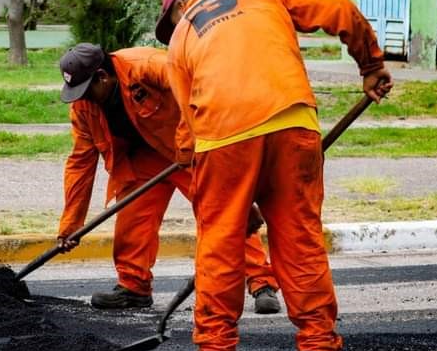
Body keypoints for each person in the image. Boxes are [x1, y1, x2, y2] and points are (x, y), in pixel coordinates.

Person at [155, 0, 393, 351]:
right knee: (300, 240)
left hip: (222, 137)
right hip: (292, 121)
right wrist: (370, 66)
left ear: (179, 8)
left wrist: (229, 205)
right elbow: (339, 7)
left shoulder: (180, 41)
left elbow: (188, 134)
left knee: (220, 244)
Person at [56, 43, 281, 313]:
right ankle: (133, 286)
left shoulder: (150, 66)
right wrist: (70, 226)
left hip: (188, 150)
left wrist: (187, 148)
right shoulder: (83, 106)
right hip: (141, 158)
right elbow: (80, 163)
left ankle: (261, 282)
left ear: (103, 77)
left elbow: (197, 95)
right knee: (132, 219)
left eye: (85, 90)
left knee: (224, 213)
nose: (82, 99)